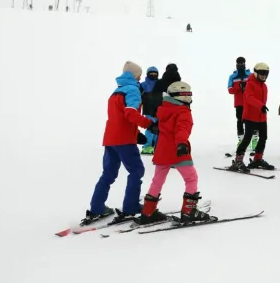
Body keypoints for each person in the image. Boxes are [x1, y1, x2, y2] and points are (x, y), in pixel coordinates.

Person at [82, 61, 155, 225]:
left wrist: (137, 134)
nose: (140, 78)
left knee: (108, 174)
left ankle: (96, 208)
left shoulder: (116, 91)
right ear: (135, 75)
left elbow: (119, 117)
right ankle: (131, 207)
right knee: (136, 170)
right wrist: (149, 124)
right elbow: (130, 114)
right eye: (139, 75)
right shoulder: (133, 90)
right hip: (124, 140)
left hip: (110, 139)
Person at [138, 81, 211, 225]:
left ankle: (148, 212)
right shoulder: (183, 111)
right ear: (182, 95)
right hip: (177, 150)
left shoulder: (163, 109)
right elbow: (182, 129)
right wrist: (182, 143)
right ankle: (189, 211)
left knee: (157, 180)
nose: (190, 98)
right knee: (191, 178)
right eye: (188, 94)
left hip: (162, 151)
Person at [229, 63, 274, 172]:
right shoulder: (250, 84)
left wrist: (262, 109)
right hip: (250, 116)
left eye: (266, 73)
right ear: (256, 73)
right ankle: (238, 160)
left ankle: (257, 159)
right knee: (247, 138)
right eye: (261, 73)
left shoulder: (264, 86)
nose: (264, 75)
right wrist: (261, 106)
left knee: (263, 137)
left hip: (261, 117)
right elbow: (249, 98)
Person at [227, 57, 254, 148]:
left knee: (251, 121)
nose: (241, 65)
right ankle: (241, 141)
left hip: (249, 102)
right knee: (240, 121)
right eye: (239, 63)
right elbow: (230, 90)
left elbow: (254, 87)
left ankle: (253, 141)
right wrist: (239, 87)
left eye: (242, 63)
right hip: (239, 103)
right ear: (236, 64)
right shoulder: (232, 76)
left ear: (245, 63)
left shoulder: (250, 75)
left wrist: (247, 86)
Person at [140, 66, 159, 154]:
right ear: (147, 74)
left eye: (155, 73)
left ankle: (155, 145)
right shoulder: (143, 85)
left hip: (159, 111)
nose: (153, 75)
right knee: (150, 127)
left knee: (158, 128)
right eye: (151, 73)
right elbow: (138, 96)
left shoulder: (159, 84)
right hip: (148, 110)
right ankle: (147, 146)